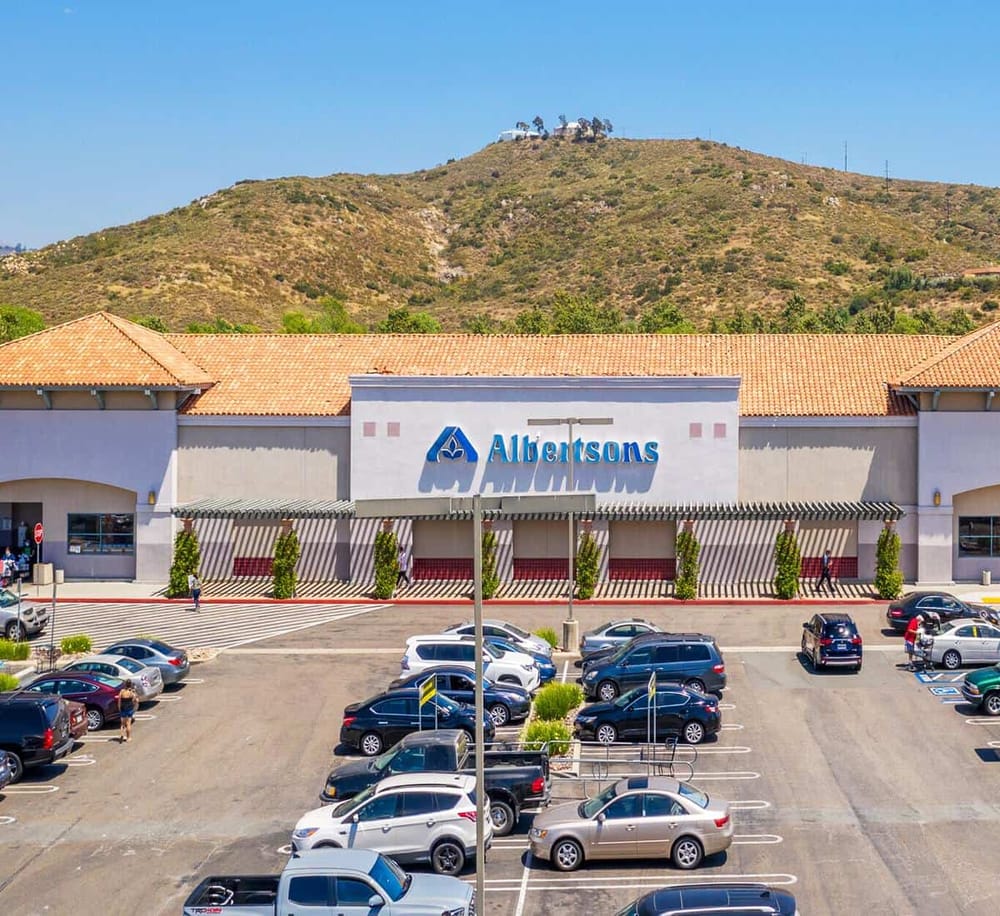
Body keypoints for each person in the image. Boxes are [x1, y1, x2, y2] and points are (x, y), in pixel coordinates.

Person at [117, 679, 139, 743]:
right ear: (130, 685)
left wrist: (119, 708)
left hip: (123, 709)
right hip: (129, 709)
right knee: (128, 724)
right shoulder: (132, 692)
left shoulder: (122, 691)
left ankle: (122, 734)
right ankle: (128, 738)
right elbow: (136, 700)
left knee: (122, 724)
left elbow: (119, 701)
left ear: (125, 685)